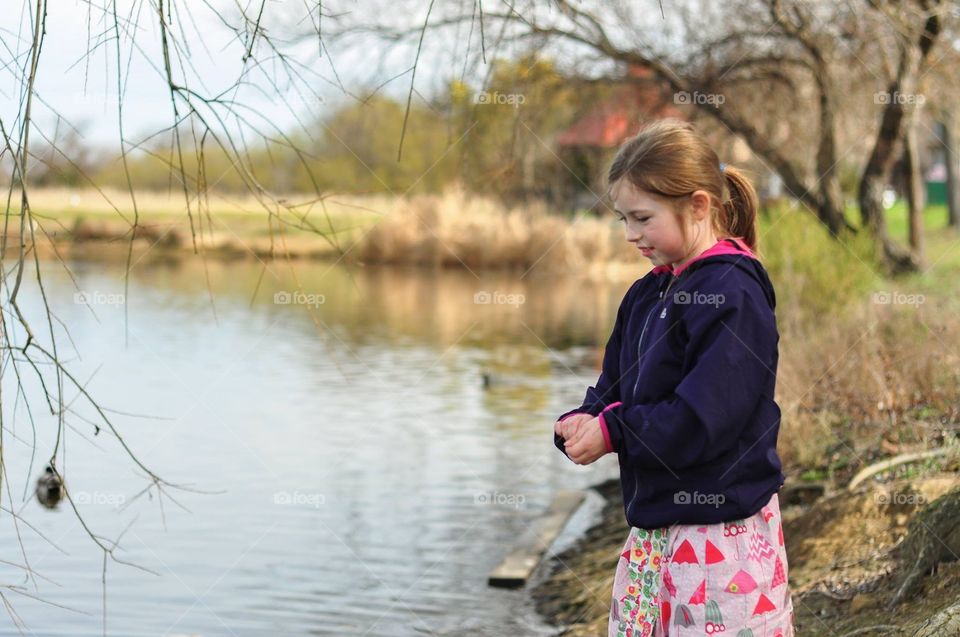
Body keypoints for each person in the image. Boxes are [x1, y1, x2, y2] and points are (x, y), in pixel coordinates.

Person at [553, 119, 794, 637]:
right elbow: (616, 385)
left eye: (642, 217)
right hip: (654, 532)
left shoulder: (734, 292)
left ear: (699, 205)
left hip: (720, 538)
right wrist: (585, 417)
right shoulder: (647, 292)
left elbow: (704, 420)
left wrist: (615, 432)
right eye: (622, 218)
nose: (629, 234)